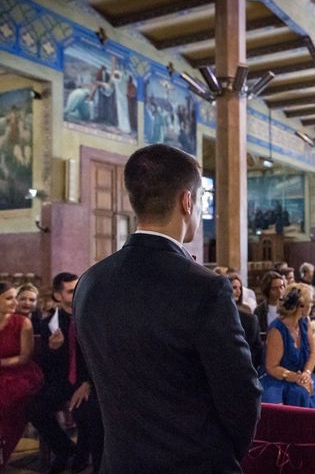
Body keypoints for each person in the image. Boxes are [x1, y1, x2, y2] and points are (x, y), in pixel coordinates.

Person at [73, 144, 261, 473]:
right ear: (187, 201)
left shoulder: (89, 282)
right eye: (201, 199)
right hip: (194, 463)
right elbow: (241, 395)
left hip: (119, 463)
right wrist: (221, 454)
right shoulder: (205, 287)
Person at [29, 273, 104, 474]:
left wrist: (88, 382)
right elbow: (46, 366)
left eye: (78, 288)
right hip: (63, 380)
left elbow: (99, 355)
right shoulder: (49, 324)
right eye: (71, 291)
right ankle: (66, 450)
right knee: (35, 408)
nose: (77, 293)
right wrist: (53, 349)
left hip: (89, 380)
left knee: (87, 412)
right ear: (57, 295)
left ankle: (86, 461)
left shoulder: (92, 318)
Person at [0, 282, 43, 471]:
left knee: (6, 399)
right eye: (9, 298)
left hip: (19, 372)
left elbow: (25, 356)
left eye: (14, 297)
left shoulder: (23, 322)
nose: (15, 302)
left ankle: (3, 451)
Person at [260, 284, 315, 407]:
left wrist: (306, 373)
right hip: (278, 378)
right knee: (296, 393)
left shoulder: (304, 323)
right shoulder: (277, 329)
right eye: (310, 302)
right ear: (300, 306)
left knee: (306, 389)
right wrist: (295, 377)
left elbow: (312, 354)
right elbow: (272, 367)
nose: (312, 305)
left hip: (301, 375)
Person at [228, 273, 263, 372]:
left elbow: (256, 345)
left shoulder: (248, 314)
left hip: (247, 362)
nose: (238, 291)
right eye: (234, 287)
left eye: (240, 288)